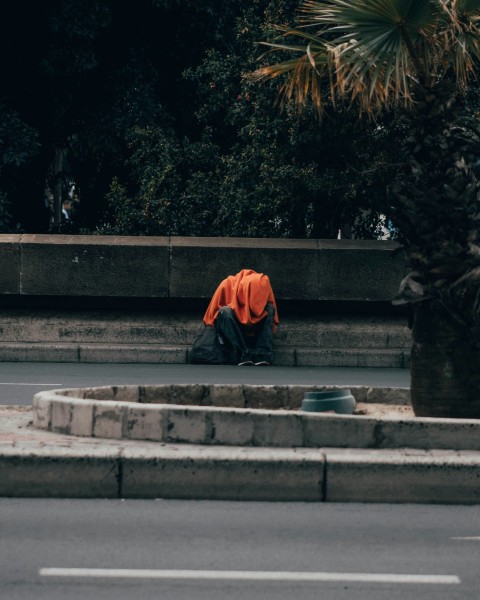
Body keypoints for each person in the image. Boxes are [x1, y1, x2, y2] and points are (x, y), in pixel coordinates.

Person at [201, 269, 279, 366]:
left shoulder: (263, 284)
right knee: (224, 311)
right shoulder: (227, 285)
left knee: (269, 308)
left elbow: (272, 313)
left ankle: (262, 354)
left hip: (255, 332)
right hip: (232, 333)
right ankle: (241, 353)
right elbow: (212, 315)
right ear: (245, 291)